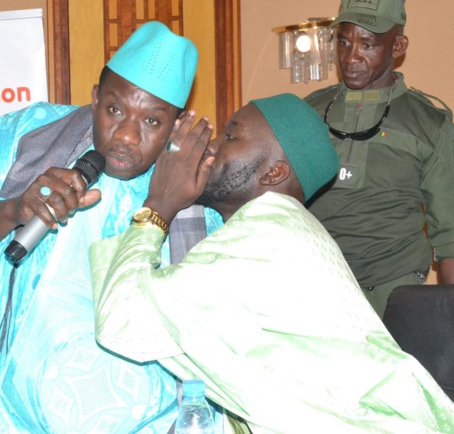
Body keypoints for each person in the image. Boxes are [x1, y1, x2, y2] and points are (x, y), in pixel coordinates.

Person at [0, 21, 223, 433]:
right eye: (115, 109)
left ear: (176, 125)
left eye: (151, 122)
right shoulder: (25, 137)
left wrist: (165, 205)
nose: (124, 135)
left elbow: (199, 329)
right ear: (95, 97)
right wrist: (14, 209)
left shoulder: (190, 193)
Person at [91, 93, 454, 433]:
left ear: (274, 174)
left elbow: (123, 321)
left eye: (231, 136)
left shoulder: (265, 237)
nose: (211, 147)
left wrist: (159, 205)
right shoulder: (282, 228)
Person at [305, 0, 454, 317]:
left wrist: (445, 320)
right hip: (315, 286)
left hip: (393, 295)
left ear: (398, 46)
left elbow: (450, 236)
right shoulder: (309, 112)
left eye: (367, 44)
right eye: (343, 41)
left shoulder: (430, 124)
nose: (350, 57)